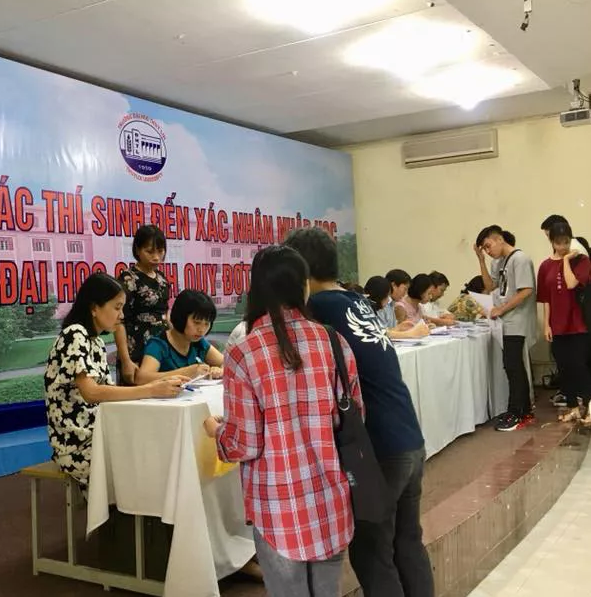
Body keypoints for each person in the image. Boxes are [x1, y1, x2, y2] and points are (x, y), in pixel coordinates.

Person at [203, 244, 363, 597]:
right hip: (331, 497)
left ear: (257, 291)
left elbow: (244, 444)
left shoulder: (244, 353)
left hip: (278, 506)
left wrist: (218, 431)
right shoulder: (333, 341)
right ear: (303, 286)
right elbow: (354, 417)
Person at [285, 228, 434, 597]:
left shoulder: (318, 310)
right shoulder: (356, 301)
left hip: (377, 447)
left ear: (301, 271)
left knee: (372, 552)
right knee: (407, 542)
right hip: (408, 437)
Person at [44, 272, 186, 495]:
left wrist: (157, 383)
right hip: (77, 444)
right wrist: (150, 390)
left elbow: (108, 393)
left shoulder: (97, 342)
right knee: (147, 458)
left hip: (100, 433)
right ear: (94, 308)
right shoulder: (75, 334)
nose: (122, 315)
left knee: (154, 444)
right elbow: (92, 393)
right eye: (117, 308)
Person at [474, 225, 537, 432]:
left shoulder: (520, 259)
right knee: (511, 366)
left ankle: (517, 412)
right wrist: (481, 261)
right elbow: (490, 286)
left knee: (513, 366)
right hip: (505, 321)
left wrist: (501, 309)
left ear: (499, 239)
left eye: (488, 246)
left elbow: (526, 290)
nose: (488, 251)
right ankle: (522, 410)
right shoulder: (498, 262)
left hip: (516, 320)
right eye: (484, 249)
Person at [537, 222, 591, 424]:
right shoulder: (545, 266)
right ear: (551, 242)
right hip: (557, 324)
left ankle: (589, 407)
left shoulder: (582, 260)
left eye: (566, 242)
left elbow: (571, 283)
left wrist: (566, 260)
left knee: (579, 366)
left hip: (578, 323)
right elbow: (546, 298)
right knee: (564, 367)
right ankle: (573, 407)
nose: (562, 246)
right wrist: (546, 325)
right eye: (558, 243)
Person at [114, 225, 171, 385]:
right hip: (136, 349)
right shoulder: (128, 279)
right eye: (150, 251)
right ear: (137, 250)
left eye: (160, 251)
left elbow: (166, 314)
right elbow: (118, 322)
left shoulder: (162, 279)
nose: (156, 257)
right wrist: (126, 360)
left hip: (161, 347)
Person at [136, 289, 224, 383]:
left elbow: (228, 363)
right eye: (196, 322)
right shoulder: (158, 345)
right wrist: (186, 372)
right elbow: (141, 379)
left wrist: (219, 370)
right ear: (181, 317)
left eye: (207, 324)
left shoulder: (199, 342)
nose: (202, 330)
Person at [364, 276, 428, 340]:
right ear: (378, 295)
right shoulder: (366, 311)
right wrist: (410, 333)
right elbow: (379, 334)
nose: (388, 300)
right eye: (386, 296)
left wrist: (399, 327)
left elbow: (385, 331)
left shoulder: (390, 305)